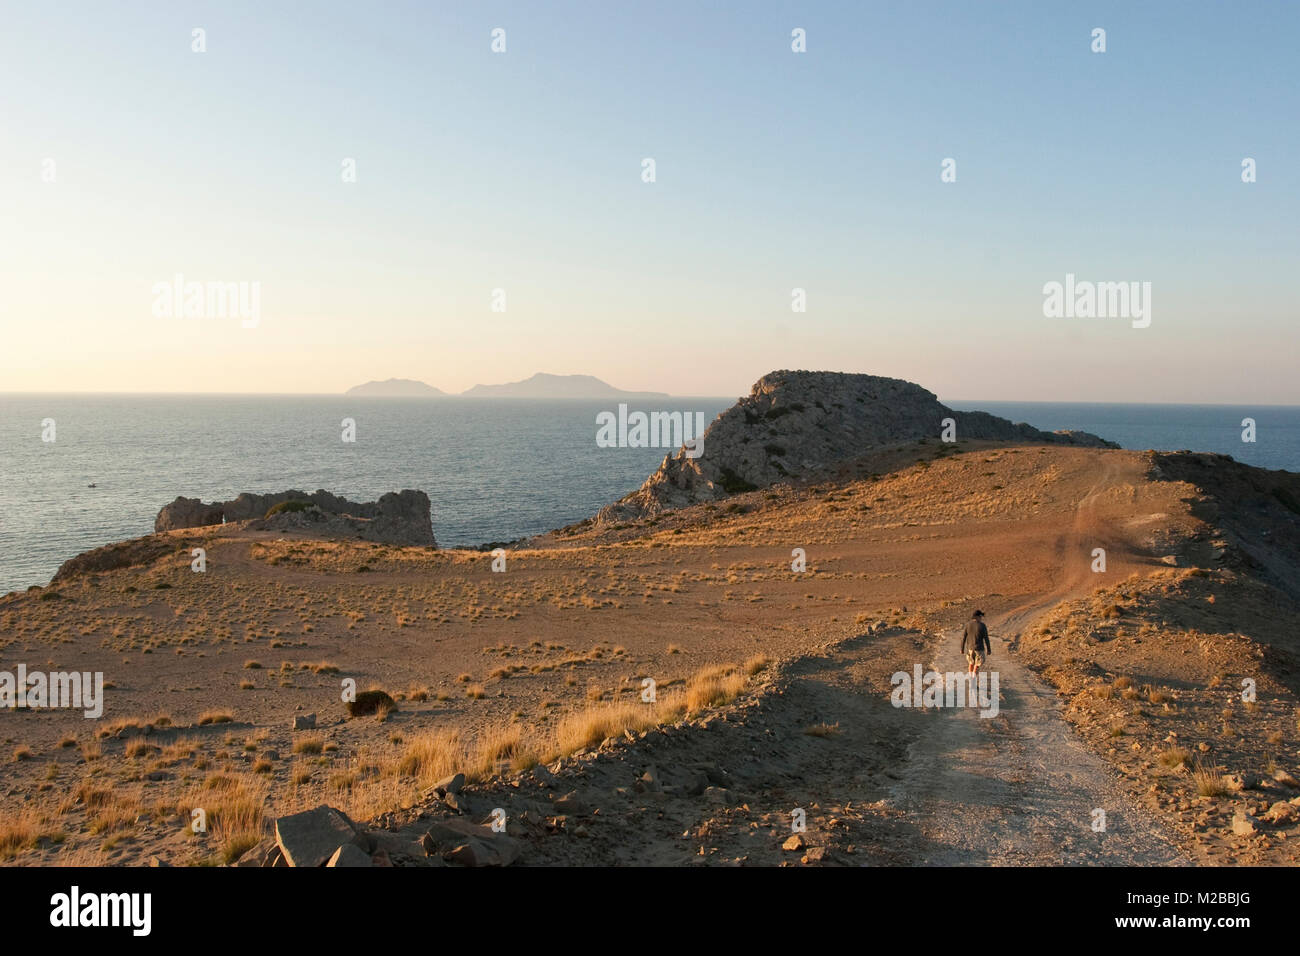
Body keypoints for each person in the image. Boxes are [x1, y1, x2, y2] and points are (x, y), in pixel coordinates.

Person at [961, 610, 991, 679]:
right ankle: (973, 680)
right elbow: (986, 638)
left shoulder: (968, 624)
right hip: (979, 649)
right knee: (977, 665)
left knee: (971, 663)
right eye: (981, 617)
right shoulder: (982, 625)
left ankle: (970, 678)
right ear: (977, 617)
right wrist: (989, 649)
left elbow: (963, 637)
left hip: (970, 649)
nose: (981, 618)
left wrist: (962, 649)